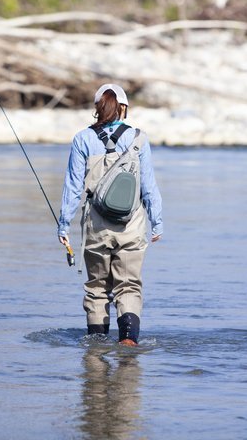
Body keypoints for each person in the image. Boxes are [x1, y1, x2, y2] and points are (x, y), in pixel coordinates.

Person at [58, 83, 164, 346]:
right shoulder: (139, 138)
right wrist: (157, 222)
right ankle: (128, 341)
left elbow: (72, 187)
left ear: (97, 108)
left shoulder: (82, 139)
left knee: (96, 288)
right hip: (132, 225)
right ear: (123, 108)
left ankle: (96, 346)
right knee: (128, 285)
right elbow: (149, 186)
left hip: (96, 226)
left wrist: (63, 226)